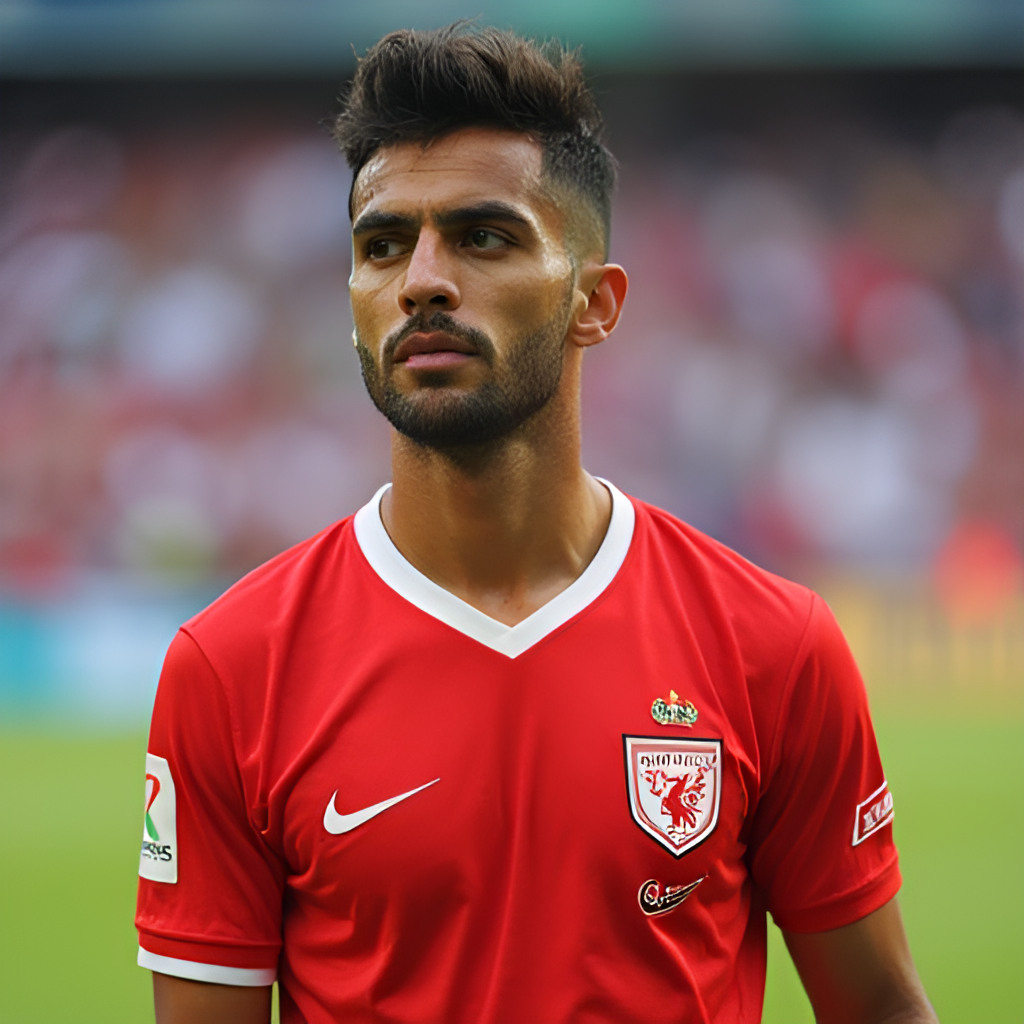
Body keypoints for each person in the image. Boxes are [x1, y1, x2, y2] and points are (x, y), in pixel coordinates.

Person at [135, 24, 937, 1024]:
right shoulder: (231, 667)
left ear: (594, 304)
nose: (421, 278)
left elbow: (880, 1008)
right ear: (353, 302)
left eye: (483, 236)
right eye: (382, 245)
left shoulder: (773, 646)